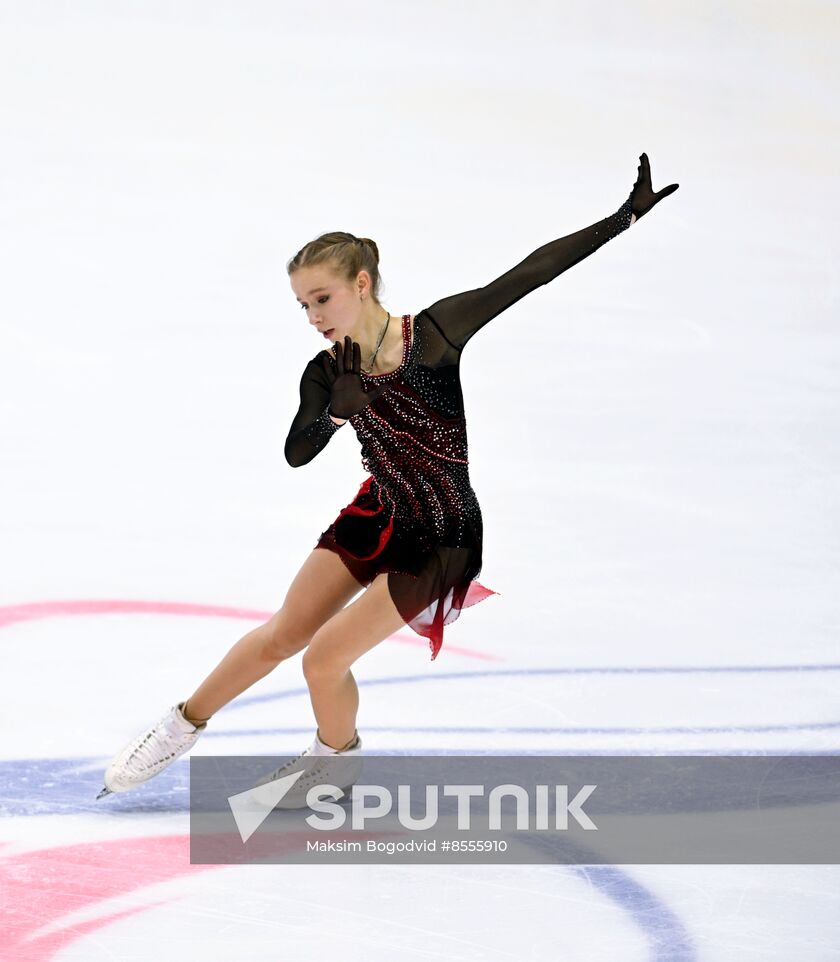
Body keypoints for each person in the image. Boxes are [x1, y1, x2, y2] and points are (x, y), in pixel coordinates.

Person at [97, 153, 679, 800]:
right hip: (380, 513)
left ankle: (332, 763)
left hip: (443, 539)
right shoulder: (325, 371)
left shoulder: (432, 337)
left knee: (323, 659)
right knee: (282, 635)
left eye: (322, 298)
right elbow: (297, 451)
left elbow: (527, 276)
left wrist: (622, 218)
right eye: (303, 305)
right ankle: (180, 727)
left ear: (362, 283)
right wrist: (336, 416)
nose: (314, 316)